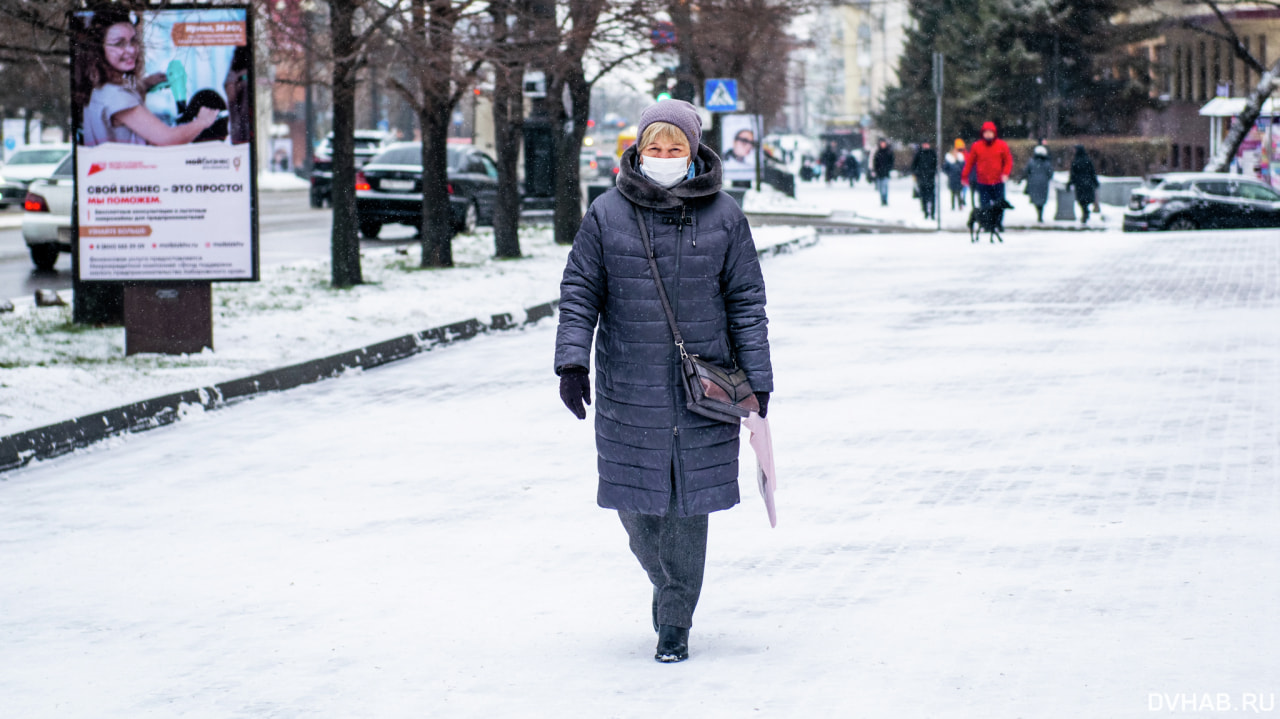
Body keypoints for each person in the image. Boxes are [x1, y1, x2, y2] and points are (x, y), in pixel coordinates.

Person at [554, 99, 772, 665]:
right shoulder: (606, 214)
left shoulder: (725, 216)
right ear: (639, 150)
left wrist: (758, 377)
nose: (665, 156)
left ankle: (674, 619)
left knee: (687, 507)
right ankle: (666, 580)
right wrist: (572, 363)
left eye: (676, 147)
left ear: (694, 152)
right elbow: (580, 292)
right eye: (656, 146)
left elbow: (747, 302)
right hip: (630, 387)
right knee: (636, 505)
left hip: (706, 388)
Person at [73, 8, 218, 148]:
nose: (131, 50)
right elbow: (168, 138)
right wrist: (202, 122)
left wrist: (144, 85)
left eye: (133, 41)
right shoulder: (117, 98)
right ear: (99, 49)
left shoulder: (101, 88)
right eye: (119, 43)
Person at [961, 121, 1013, 230]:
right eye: (986, 132)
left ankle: (998, 224)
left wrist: (1005, 173)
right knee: (985, 206)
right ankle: (987, 225)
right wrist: (965, 176)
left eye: (990, 132)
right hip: (983, 181)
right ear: (982, 134)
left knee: (999, 205)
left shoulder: (1001, 145)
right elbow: (970, 162)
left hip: (998, 181)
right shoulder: (977, 146)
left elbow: (1008, 160)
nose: (988, 135)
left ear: (994, 133)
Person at [1022, 145, 1054, 223]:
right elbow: (1050, 173)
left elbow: (1026, 171)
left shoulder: (1031, 162)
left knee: (1036, 199)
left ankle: (1039, 213)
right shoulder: (1047, 163)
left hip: (1033, 183)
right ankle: (1040, 213)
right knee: (1042, 200)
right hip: (1043, 183)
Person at [1067, 145, 1099, 224]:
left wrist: (1070, 183)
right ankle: (1086, 212)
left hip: (1080, 184)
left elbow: (1073, 174)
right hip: (1088, 183)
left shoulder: (1075, 161)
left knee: (1081, 200)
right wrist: (1095, 182)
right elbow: (1093, 172)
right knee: (1087, 200)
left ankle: (1085, 213)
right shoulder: (1087, 160)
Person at [910, 141, 938, 220]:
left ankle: (932, 213)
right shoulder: (918, 154)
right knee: (923, 196)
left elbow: (936, 164)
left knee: (932, 196)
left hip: (930, 178)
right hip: (922, 178)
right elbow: (914, 165)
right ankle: (925, 212)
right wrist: (917, 173)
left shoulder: (932, 153)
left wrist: (933, 172)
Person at [871, 138, 895, 206]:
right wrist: (874, 170)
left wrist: (889, 168)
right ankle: (882, 199)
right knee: (880, 187)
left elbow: (891, 161)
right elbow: (875, 162)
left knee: (885, 186)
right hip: (879, 173)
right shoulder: (878, 152)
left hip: (886, 172)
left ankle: (885, 200)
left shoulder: (888, 152)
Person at [943, 139, 966, 210]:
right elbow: (945, 168)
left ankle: (960, 205)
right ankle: (953, 206)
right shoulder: (949, 160)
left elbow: (964, 167)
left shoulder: (960, 159)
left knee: (959, 193)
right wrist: (949, 173)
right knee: (953, 193)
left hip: (959, 178)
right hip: (952, 178)